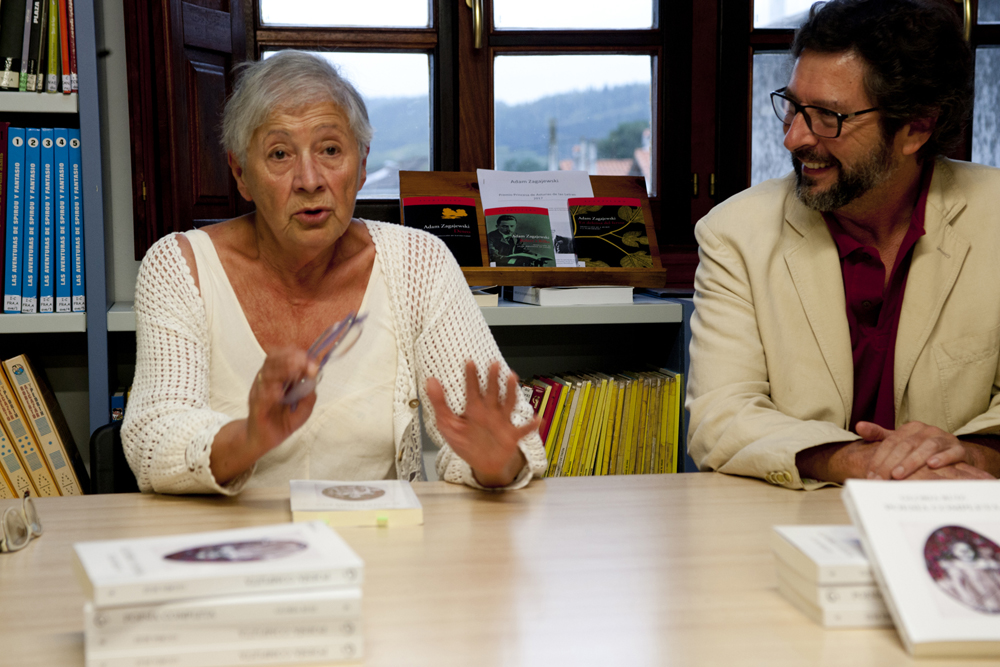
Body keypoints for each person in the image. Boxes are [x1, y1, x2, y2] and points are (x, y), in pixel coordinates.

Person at [122, 50, 547, 495]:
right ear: (240, 173)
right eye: (280, 153)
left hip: (379, 533)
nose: (310, 180)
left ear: (362, 166)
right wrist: (250, 437)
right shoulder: (178, 267)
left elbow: (510, 433)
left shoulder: (418, 262)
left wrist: (494, 463)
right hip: (234, 537)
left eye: (330, 150)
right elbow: (152, 443)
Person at [686, 0, 1000, 489]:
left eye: (827, 116)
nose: (793, 138)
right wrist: (859, 461)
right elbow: (720, 417)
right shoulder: (735, 233)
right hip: (795, 516)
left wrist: (967, 456)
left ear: (917, 127)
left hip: (960, 513)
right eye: (793, 107)